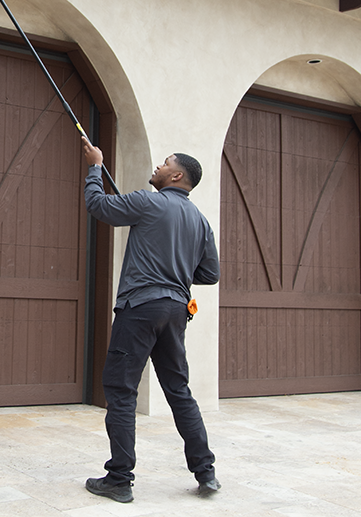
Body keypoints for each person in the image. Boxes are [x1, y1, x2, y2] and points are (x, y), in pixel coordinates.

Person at [80, 138, 221, 503]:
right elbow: (210, 274)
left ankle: (119, 479)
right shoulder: (200, 222)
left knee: (121, 390)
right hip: (175, 312)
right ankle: (206, 473)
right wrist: (177, 268)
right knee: (179, 391)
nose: (156, 167)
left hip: (139, 308)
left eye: (163, 164)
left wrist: (95, 166)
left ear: (176, 175)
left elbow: (98, 206)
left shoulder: (148, 202)